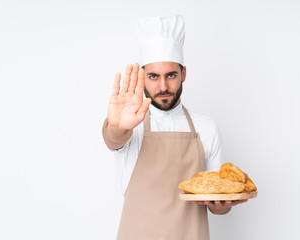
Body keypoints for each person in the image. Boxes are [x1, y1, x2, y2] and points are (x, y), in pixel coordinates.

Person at [102, 15, 247, 240]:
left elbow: (218, 199)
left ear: (183, 74)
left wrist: (221, 205)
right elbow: (114, 139)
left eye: (171, 75)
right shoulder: (132, 127)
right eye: (153, 76)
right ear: (143, 77)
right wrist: (116, 126)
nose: (163, 86)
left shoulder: (206, 129)